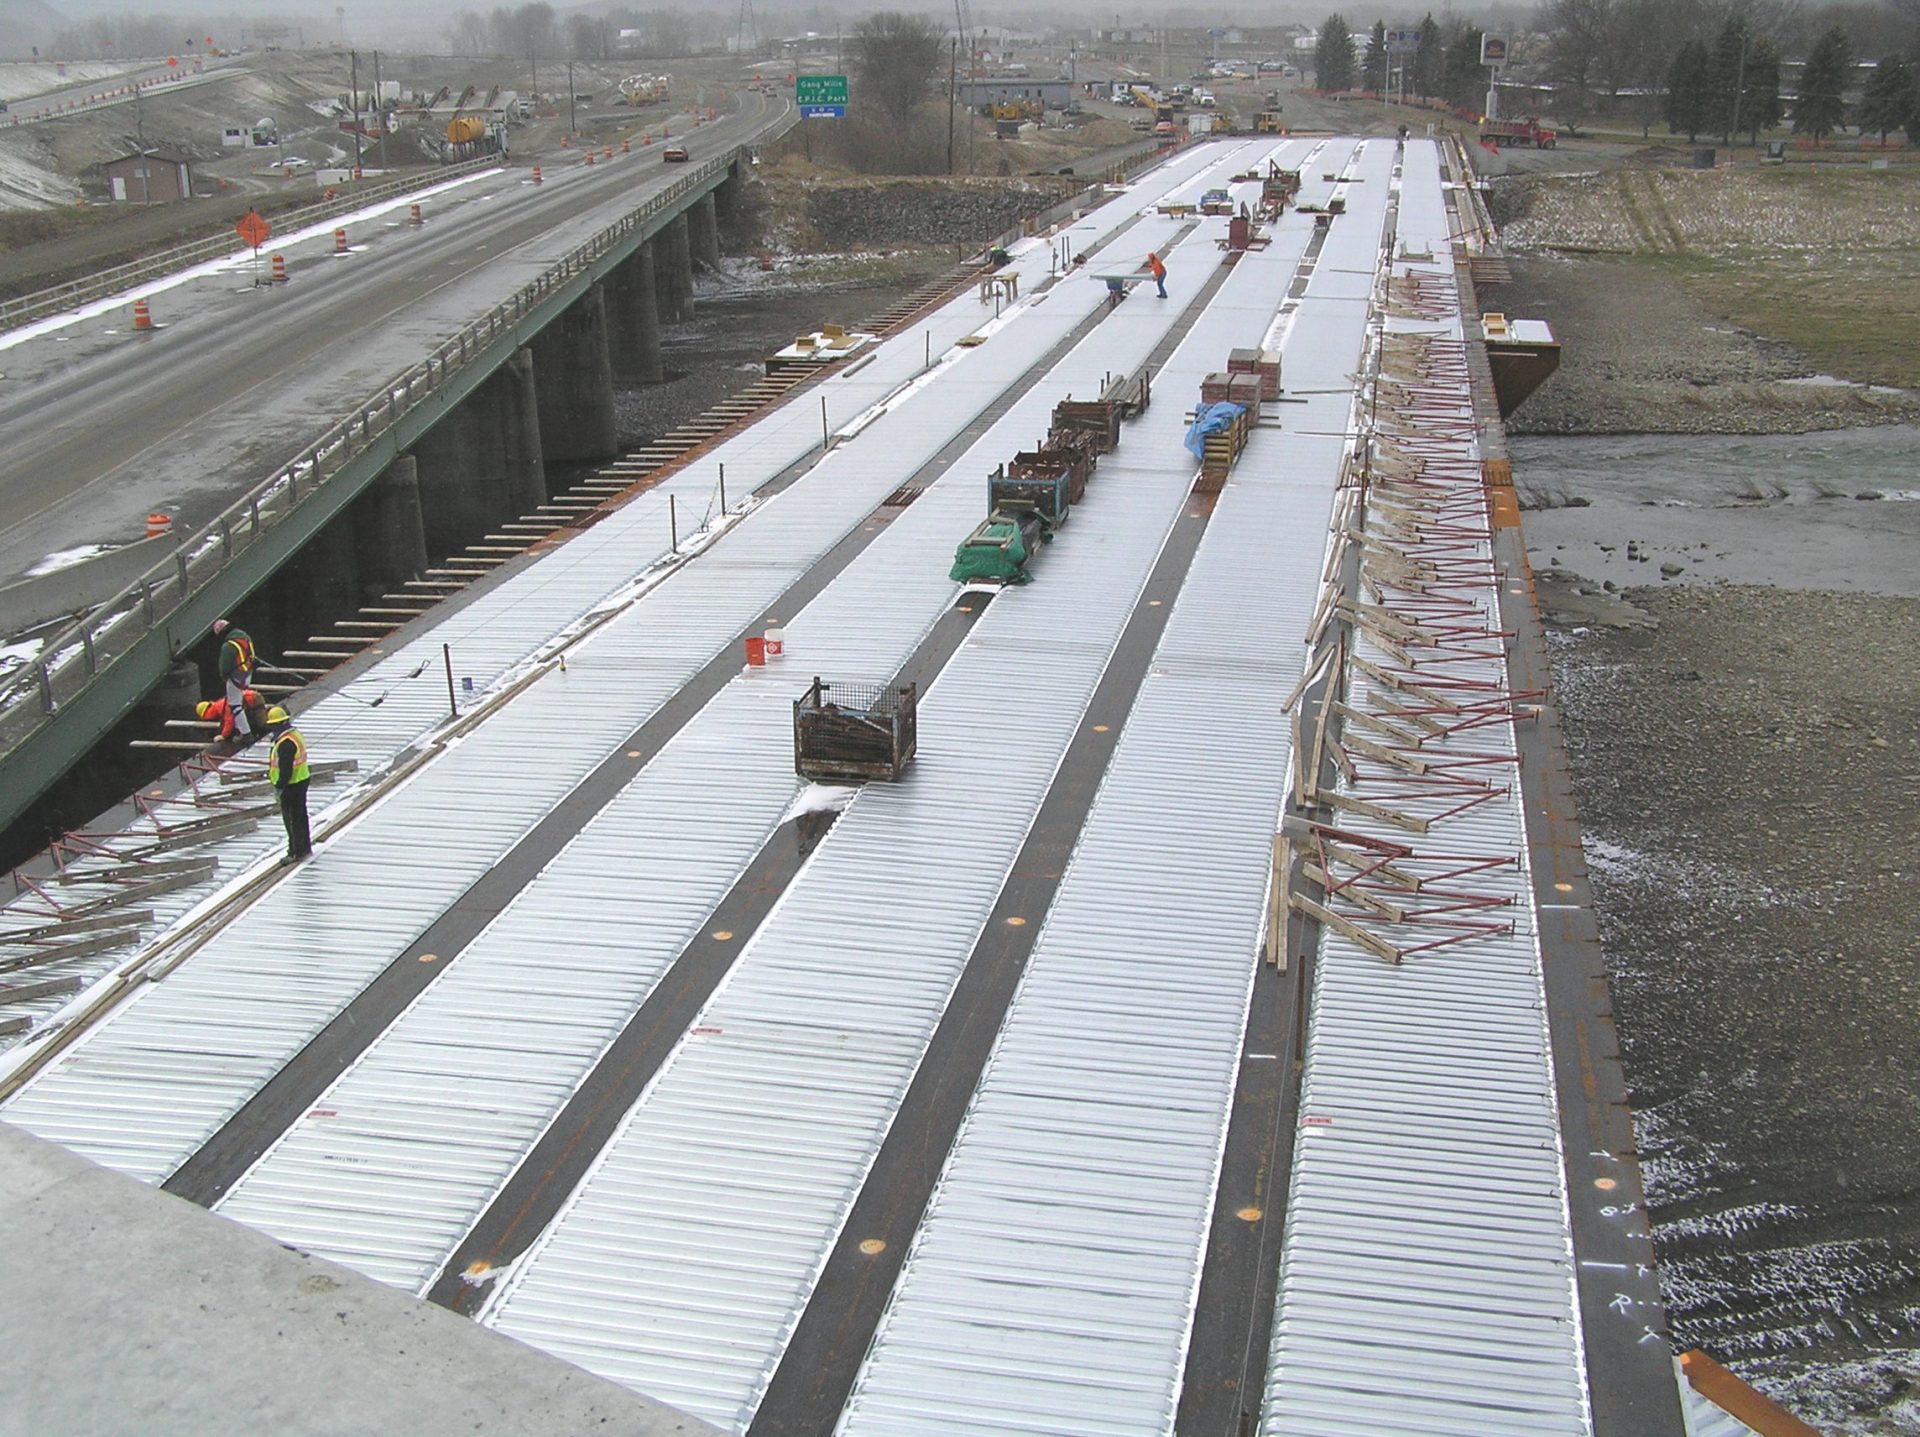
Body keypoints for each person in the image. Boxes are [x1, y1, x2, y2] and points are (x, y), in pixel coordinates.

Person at [266, 706, 312, 864]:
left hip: (291, 785)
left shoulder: (285, 743)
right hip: (302, 779)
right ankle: (304, 848)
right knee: (300, 817)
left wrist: (279, 785)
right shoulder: (294, 735)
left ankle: (295, 852)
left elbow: (286, 769)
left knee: (292, 819)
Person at [213, 619, 258, 737]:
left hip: (236, 678)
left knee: (235, 706)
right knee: (240, 700)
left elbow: (224, 667)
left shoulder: (228, 646)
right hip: (248, 674)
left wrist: (224, 677)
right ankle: (247, 725)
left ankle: (246, 733)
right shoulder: (245, 637)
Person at [195, 688, 265, 743]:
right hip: (252, 699)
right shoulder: (221, 704)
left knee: (262, 724)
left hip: (254, 699)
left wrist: (223, 736)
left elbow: (229, 721)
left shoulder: (223, 706)